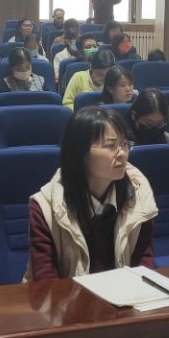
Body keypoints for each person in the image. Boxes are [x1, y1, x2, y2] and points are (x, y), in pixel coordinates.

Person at [26, 107, 157, 280]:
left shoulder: (138, 193)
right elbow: (46, 280)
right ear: (81, 154)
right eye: (110, 145)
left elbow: (144, 262)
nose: (122, 154)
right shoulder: (46, 206)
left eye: (124, 144)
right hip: (67, 296)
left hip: (125, 294)